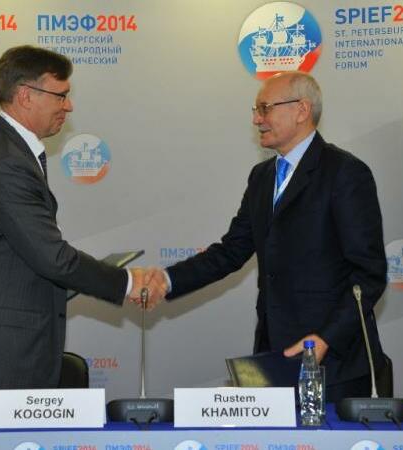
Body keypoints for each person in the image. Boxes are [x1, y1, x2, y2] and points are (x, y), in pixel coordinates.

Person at [0, 45, 159, 390]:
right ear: (26, 96)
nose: (68, 106)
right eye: (61, 96)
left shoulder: (6, 149)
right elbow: (52, 258)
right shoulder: (6, 162)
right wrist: (128, 283)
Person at [140, 71, 387, 402]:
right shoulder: (261, 176)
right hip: (273, 358)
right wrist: (167, 280)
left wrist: (326, 339)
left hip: (334, 365)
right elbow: (231, 251)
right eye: (256, 110)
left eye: (265, 108)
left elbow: (369, 274)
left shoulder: (345, 172)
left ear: (301, 110)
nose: (257, 119)